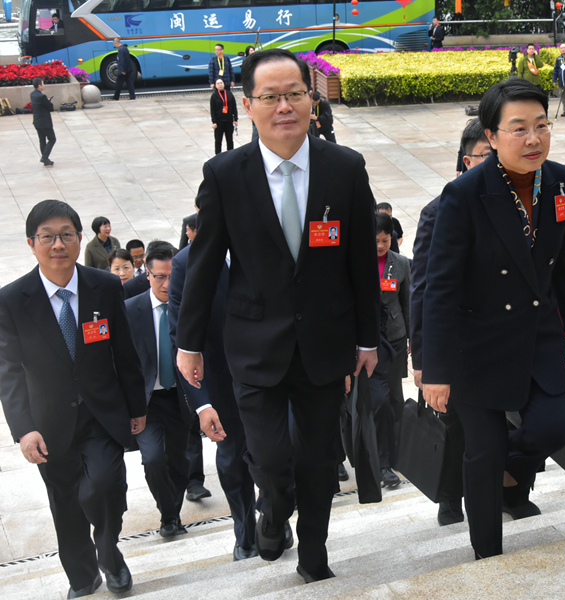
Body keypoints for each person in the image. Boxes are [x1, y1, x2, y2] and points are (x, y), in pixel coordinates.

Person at [175, 48, 380, 583]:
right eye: (271, 97)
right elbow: (202, 265)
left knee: (317, 462)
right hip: (254, 343)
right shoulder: (225, 174)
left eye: (295, 93)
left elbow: (361, 261)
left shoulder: (344, 168)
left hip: (324, 343)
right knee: (268, 459)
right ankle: (272, 509)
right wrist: (189, 341)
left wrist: (367, 338)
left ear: (312, 99)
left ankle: (315, 557)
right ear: (248, 104)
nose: (284, 106)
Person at [421, 78, 565, 559]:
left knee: (551, 430)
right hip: (476, 346)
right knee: (483, 449)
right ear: (492, 137)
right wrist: (434, 370)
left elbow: (561, 257)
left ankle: (496, 469)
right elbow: (439, 288)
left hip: (537, 336)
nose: (533, 139)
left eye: (542, 126)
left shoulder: (558, 179)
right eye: (518, 129)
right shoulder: (463, 195)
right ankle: (487, 556)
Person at [0, 200, 146, 598]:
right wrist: (24, 429)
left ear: (80, 239)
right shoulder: (12, 299)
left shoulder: (103, 287)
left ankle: (108, 551)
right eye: (47, 237)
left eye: (66, 235)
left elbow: (125, 352)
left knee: (104, 485)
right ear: (32, 243)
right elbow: (8, 370)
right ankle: (83, 578)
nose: (57, 244)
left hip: (101, 413)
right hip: (48, 422)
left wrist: (137, 408)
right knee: (65, 504)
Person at [410, 119, 491, 526]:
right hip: (457, 342)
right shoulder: (438, 211)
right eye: (487, 156)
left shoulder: (523, 199)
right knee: (459, 424)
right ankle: (450, 498)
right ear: (467, 159)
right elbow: (422, 289)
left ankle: (510, 489)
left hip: (502, 337)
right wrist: (423, 359)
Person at [168, 239, 258, 560]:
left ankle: (275, 514)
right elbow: (182, 338)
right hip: (221, 381)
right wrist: (202, 404)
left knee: (279, 452)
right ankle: (245, 532)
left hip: (273, 374)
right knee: (234, 460)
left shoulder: (267, 238)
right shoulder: (186, 263)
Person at [125, 242, 193, 539]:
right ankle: (168, 514)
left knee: (179, 461)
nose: (167, 284)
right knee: (153, 459)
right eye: (160, 277)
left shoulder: (188, 306)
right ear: (148, 276)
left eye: (172, 276)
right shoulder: (130, 310)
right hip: (147, 401)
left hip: (181, 398)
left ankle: (172, 515)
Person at [374, 212, 410, 487]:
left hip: (395, 339)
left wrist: (412, 337)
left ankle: (397, 456)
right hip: (370, 344)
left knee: (395, 400)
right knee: (380, 401)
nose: (380, 246)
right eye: (375, 241)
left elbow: (408, 303)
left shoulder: (401, 265)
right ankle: (381, 461)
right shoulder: (357, 263)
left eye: (385, 241)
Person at [30, 78, 56, 166]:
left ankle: (45, 159)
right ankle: (44, 157)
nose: (43, 85)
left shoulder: (33, 94)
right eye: (43, 84)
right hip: (44, 122)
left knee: (42, 140)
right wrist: (49, 102)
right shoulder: (42, 96)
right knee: (52, 139)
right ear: (39, 85)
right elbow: (50, 107)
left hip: (37, 122)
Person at [210, 78, 238, 155]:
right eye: (218, 83)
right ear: (215, 85)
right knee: (218, 141)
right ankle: (218, 156)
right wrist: (214, 122)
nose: (220, 85)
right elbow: (212, 110)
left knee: (230, 140)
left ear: (224, 84)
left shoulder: (229, 94)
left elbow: (234, 107)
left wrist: (235, 119)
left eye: (221, 83)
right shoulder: (214, 96)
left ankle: (231, 155)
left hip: (229, 121)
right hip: (219, 122)